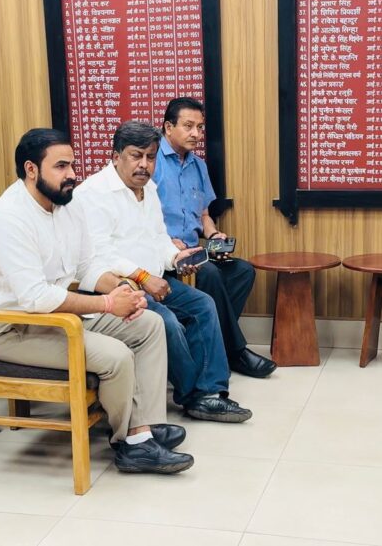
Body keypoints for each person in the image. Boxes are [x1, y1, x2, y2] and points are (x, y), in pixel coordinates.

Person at [0, 128, 194, 474]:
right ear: (31, 169)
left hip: (55, 317)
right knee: (116, 356)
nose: (72, 174)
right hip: (12, 329)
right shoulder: (8, 217)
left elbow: (88, 266)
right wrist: (107, 305)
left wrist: (123, 291)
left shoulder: (68, 204)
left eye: (72, 165)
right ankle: (130, 444)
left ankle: (144, 427)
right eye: (61, 166)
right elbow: (35, 297)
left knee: (150, 324)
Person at [79, 121, 253, 422]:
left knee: (202, 304)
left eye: (151, 157)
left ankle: (211, 391)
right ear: (116, 156)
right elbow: (99, 255)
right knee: (167, 321)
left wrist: (175, 257)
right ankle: (193, 396)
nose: (144, 165)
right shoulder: (93, 193)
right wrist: (144, 277)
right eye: (136, 156)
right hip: (117, 287)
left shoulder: (148, 189)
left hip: (154, 280)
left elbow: (158, 237)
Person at [153, 97, 276, 378]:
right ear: (168, 127)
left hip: (195, 251)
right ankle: (235, 352)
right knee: (209, 274)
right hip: (165, 256)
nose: (196, 133)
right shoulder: (152, 163)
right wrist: (166, 242)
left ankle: (215, 345)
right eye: (188, 126)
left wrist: (214, 234)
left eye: (199, 127)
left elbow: (204, 214)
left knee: (242, 271)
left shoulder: (198, 166)